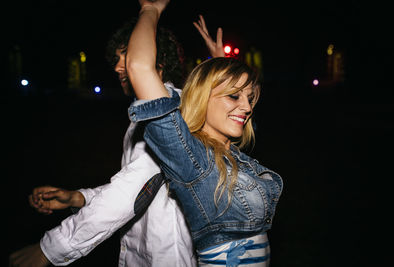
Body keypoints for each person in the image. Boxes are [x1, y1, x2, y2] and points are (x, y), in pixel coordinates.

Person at [9, 13, 225, 267]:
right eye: (117, 57)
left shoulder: (167, 114)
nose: (117, 66)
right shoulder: (147, 111)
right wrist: (77, 198)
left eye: (127, 55)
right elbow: (143, 184)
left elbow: (130, 192)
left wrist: (51, 248)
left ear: (156, 58)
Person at [126, 0, 283, 266]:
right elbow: (139, 67)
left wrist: (221, 63)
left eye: (249, 98)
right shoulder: (193, 160)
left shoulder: (228, 155)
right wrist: (150, 10)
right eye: (234, 95)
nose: (246, 107)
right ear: (202, 97)